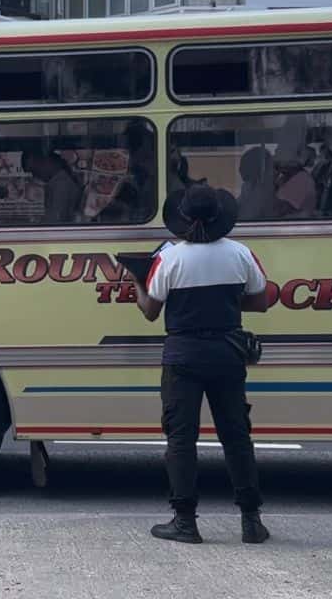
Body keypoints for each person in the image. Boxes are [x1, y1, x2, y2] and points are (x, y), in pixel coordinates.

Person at [132, 184, 270, 545]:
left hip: (183, 356)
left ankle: (185, 522)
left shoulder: (171, 258)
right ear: (221, 216)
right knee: (237, 437)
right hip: (227, 353)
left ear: (184, 217)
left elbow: (150, 311)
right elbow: (261, 301)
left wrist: (136, 282)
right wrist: (221, 304)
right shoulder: (240, 254)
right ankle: (251, 521)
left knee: (181, 440)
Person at [21, 149, 81, 224]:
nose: (35, 175)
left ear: (45, 161)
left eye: (34, 170)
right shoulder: (56, 182)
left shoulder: (61, 185)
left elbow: (54, 223)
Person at [237, 146, 277, 221]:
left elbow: (246, 217)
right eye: (272, 167)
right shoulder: (250, 188)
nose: (274, 172)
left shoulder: (263, 191)